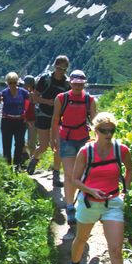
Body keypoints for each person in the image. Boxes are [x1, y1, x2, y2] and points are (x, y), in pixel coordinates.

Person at [65, 112, 132, 264]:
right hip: (89, 203)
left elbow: (130, 169)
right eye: (104, 130)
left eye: (112, 130)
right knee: (81, 239)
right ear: (95, 131)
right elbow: (74, 179)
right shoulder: (86, 152)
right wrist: (90, 190)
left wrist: (125, 192)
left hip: (112, 202)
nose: (108, 134)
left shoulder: (121, 150)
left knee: (115, 250)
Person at [50, 70, 98, 226]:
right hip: (66, 139)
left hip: (84, 140)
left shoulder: (90, 100)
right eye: (75, 83)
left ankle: (79, 204)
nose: (78, 86)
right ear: (70, 83)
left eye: (81, 84)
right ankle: (70, 207)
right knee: (70, 175)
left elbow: (94, 122)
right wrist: (53, 138)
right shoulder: (61, 98)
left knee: (83, 175)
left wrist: (98, 141)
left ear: (84, 84)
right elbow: (56, 119)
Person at [31, 55, 72, 180]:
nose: (61, 71)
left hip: (58, 118)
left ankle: (56, 175)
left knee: (58, 146)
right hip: (44, 114)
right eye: (59, 68)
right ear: (55, 66)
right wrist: (47, 102)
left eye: (64, 69)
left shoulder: (67, 83)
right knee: (44, 146)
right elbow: (34, 97)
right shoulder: (45, 79)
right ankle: (34, 159)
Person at [0, 72, 30, 171]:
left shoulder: (23, 92)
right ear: (7, 83)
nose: (12, 84)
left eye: (14, 82)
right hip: (7, 121)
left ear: (17, 82)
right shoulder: (3, 93)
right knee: (6, 144)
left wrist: (28, 116)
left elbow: (31, 103)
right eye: (10, 83)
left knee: (19, 144)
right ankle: (7, 166)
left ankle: (17, 165)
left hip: (20, 121)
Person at [22, 75, 38, 171]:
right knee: (22, 141)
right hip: (25, 119)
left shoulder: (35, 94)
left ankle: (32, 163)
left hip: (32, 120)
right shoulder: (22, 94)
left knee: (31, 142)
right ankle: (25, 159)